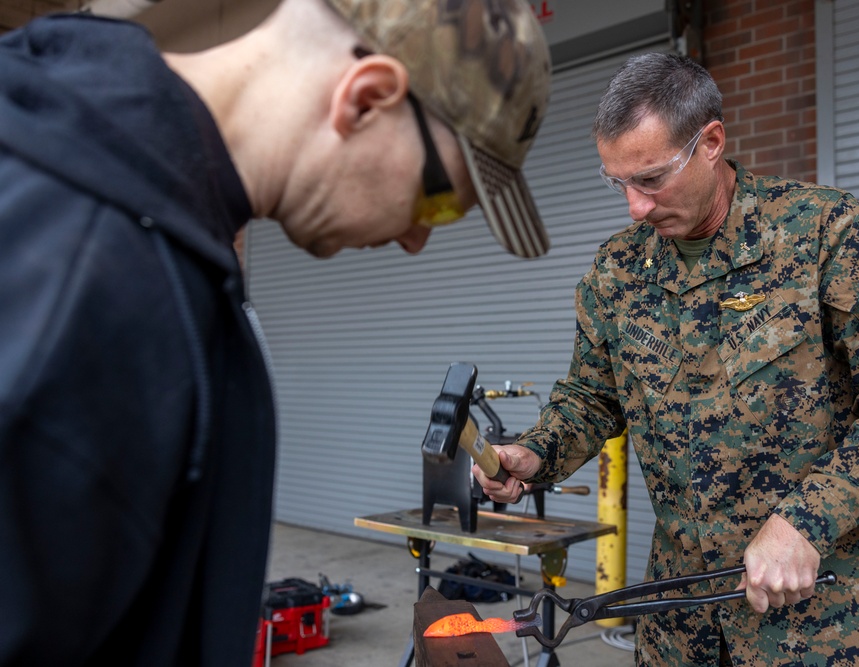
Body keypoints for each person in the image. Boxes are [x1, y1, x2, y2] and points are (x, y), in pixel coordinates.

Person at [0, 0, 550, 664]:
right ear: (366, 98)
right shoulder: (93, 271)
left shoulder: (125, 203)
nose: (414, 239)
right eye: (434, 201)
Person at [474, 52, 859, 666]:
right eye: (617, 182)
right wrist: (537, 452)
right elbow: (592, 396)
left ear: (710, 142)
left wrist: (806, 521)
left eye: (651, 179)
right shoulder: (617, 273)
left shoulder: (827, 237)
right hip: (683, 627)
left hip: (835, 626)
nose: (635, 207)